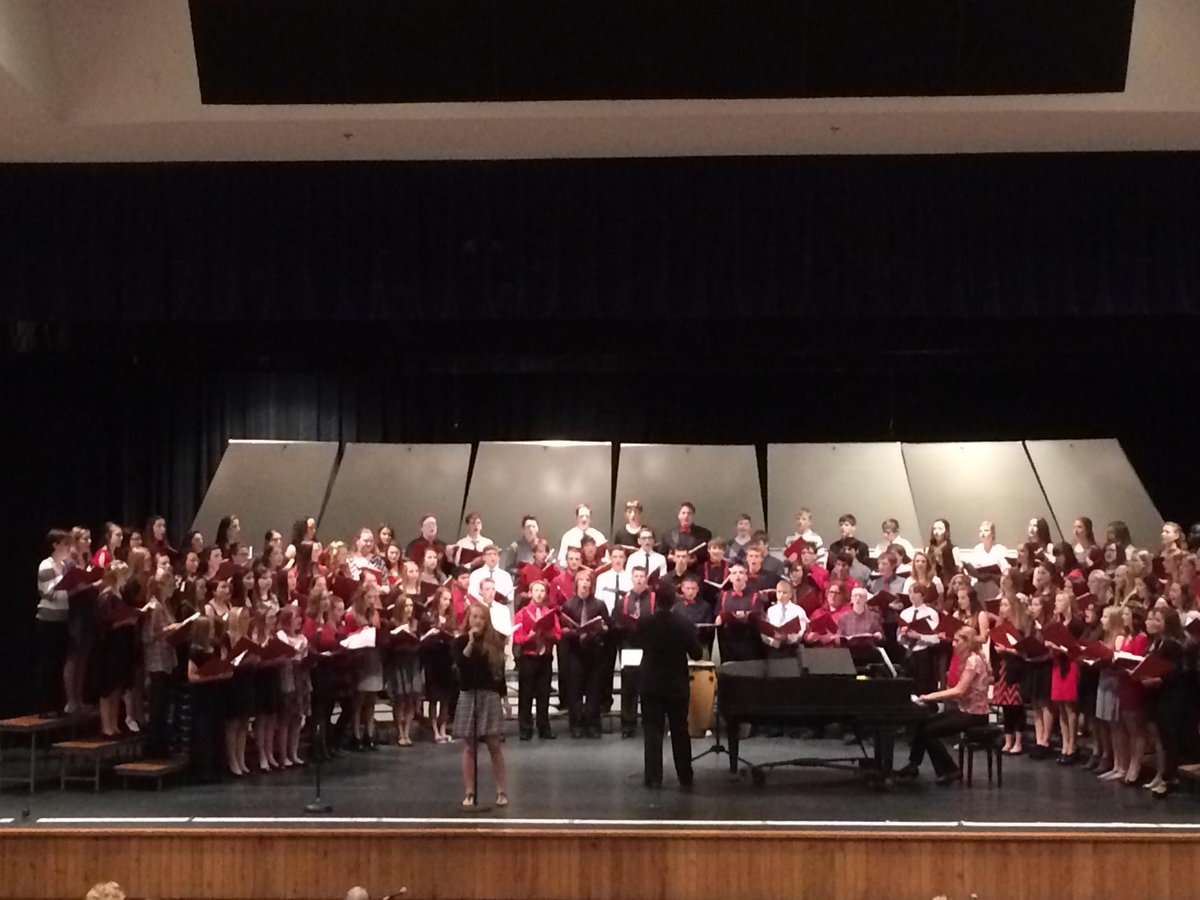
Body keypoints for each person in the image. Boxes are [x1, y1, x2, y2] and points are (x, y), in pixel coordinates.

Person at [896, 627, 992, 785]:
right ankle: (913, 765)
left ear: (967, 642)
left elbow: (959, 691)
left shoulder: (973, 661)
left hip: (975, 715)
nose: (953, 644)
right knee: (923, 723)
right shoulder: (968, 659)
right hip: (965, 710)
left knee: (929, 731)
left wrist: (929, 697)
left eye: (957, 641)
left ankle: (950, 769)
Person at [632, 587, 702, 790]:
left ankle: (653, 777)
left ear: (656, 601)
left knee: (652, 731)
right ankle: (685, 775)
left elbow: (636, 642)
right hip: (676, 684)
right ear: (674, 601)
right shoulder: (683, 624)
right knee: (680, 730)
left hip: (651, 682)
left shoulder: (645, 623)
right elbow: (697, 653)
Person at [454, 602, 509, 808]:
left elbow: (499, 674)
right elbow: (460, 664)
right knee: (470, 747)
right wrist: (469, 643)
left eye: (481, 618)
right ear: (468, 619)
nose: (477, 621)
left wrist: (504, 699)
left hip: (489, 695)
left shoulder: (495, 643)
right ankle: (469, 792)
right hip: (470, 695)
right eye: (474, 617)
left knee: (494, 745)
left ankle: (501, 790)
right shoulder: (460, 642)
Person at [560, 569, 611, 738]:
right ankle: (576, 724)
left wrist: (600, 629)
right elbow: (562, 628)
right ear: (576, 584)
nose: (584, 583)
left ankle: (593, 724)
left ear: (591, 584)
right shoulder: (568, 604)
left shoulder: (599, 604)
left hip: (594, 652)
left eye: (587, 580)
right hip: (575, 652)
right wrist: (570, 631)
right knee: (574, 691)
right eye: (581, 580)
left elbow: (607, 627)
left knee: (593, 691)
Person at [511, 580, 560, 740]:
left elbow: (558, 634)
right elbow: (517, 637)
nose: (539, 594)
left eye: (542, 591)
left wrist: (549, 635)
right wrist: (528, 637)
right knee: (525, 695)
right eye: (536, 590)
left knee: (543, 694)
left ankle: (544, 727)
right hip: (529, 657)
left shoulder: (550, 613)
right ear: (530, 593)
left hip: (545, 657)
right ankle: (525, 728)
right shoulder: (522, 613)